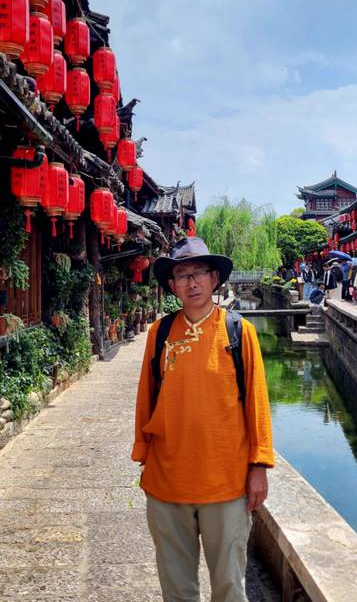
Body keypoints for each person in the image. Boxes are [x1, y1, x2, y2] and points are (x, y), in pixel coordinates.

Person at [131, 237, 274, 602]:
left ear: (214, 279)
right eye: (182, 275)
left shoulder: (239, 332)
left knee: (228, 586)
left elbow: (256, 402)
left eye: (199, 273)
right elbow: (146, 398)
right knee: (176, 587)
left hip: (224, 483)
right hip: (167, 481)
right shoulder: (159, 334)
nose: (191, 282)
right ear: (172, 285)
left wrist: (258, 465)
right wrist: (143, 454)